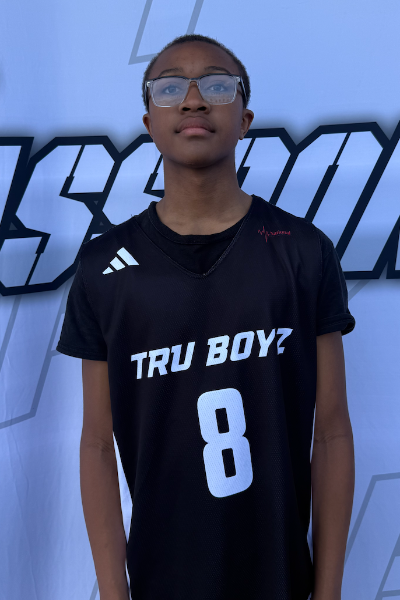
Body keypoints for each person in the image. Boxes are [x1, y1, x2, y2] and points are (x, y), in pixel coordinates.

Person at [57, 33, 356, 600]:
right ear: (149, 122)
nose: (193, 100)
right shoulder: (104, 267)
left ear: (244, 120)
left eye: (217, 86)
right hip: (161, 580)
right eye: (170, 88)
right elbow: (96, 443)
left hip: (280, 577)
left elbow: (334, 430)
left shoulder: (302, 250)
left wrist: (330, 591)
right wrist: (114, 593)